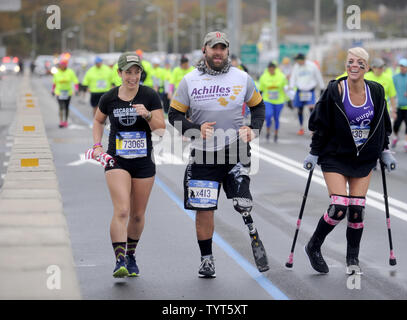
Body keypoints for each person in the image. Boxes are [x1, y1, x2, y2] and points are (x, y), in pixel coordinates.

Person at [168, 31, 269, 278]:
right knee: (204, 210)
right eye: (214, 48)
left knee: (241, 203)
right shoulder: (189, 80)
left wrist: (253, 128)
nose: (218, 52)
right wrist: (194, 129)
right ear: (204, 50)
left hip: (235, 149)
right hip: (203, 154)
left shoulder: (242, 78)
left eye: (222, 48)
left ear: (227, 51)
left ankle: (245, 209)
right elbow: (173, 115)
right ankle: (207, 260)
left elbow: (258, 106)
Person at [302, 47, 397, 275]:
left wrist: (384, 150)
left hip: (363, 158)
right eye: (350, 61)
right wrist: (314, 153)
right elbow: (320, 123)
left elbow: (382, 124)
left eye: (360, 62)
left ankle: (352, 259)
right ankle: (314, 245)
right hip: (335, 154)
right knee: (339, 207)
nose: (354, 65)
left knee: (356, 210)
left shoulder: (376, 91)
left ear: (367, 67)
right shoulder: (335, 90)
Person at [87, 51, 165, 278]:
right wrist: (97, 145)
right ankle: (119, 259)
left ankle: (130, 256)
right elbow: (98, 120)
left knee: (138, 215)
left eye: (137, 72)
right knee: (122, 210)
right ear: (119, 73)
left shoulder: (149, 95)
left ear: (141, 73)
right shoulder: (109, 97)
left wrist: (148, 115)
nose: (133, 77)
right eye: (128, 72)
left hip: (143, 162)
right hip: (117, 160)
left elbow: (161, 130)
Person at [289, 53, 325, 135]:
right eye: (297, 61)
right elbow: (293, 78)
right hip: (300, 91)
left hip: (310, 90)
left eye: (299, 60)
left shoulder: (312, 66)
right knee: (300, 110)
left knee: (311, 110)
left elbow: (318, 76)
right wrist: (291, 89)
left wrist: (322, 87)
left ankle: (313, 128)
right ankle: (301, 127)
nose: (298, 62)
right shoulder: (296, 67)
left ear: (303, 59)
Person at [258, 61, 288, 142]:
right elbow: (260, 89)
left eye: (273, 69)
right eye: (270, 69)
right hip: (268, 100)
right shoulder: (264, 77)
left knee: (276, 118)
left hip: (279, 101)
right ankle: (268, 131)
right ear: (268, 69)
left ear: (275, 69)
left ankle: (276, 134)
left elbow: (286, 88)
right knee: (268, 115)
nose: (271, 70)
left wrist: (289, 99)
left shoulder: (281, 76)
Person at [52, 60, 79, 128]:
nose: (62, 66)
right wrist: (53, 90)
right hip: (59, 92)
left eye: (64, 65)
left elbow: (75, 80)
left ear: (66, 65)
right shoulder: (57, 72)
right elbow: (54, 82)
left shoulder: (70, 72)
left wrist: (76, 89)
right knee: (61, 107)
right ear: (60, 66)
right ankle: (61, 122)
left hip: (68, 92)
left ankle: (65, 121)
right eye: (61, 65)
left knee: (66, 107)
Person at [392, 58, 407, 152]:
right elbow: (392, 91)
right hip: (399, 106)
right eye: (401, 66)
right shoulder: (395, 77)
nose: (402, 68)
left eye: (404, 66)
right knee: (396, 125)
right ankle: (396, 137)